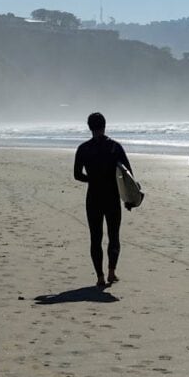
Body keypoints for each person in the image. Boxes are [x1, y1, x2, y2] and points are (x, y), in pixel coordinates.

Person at [74, 112, 131, 288]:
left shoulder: (83, 148)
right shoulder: (115, 147)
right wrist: (129, 199)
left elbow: (77, 175)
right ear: (105, 125)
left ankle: (99, 276)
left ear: (89, 127)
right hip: (112, 197)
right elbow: (128, 175)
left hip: (93, 197)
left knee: (95, 237)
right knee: (114, 236)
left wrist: (92, 179)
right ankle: (112, 272)